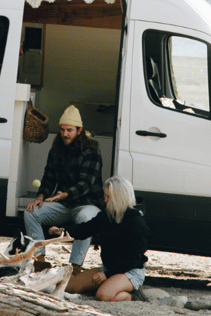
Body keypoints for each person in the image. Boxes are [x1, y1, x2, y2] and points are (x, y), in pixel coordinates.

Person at [24, 105, 104, 273]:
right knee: (31, 212)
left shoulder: (92, 150)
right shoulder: (57, 148)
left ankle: (75, 267)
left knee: (85, 218)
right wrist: (40, 196)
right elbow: (49, 176)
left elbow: (86, 183)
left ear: (79, 130)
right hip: (64, 204)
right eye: (62, 130)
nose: (65, 134)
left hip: (87, 203)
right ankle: (40, 262)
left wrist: (65, 194)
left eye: (69, 130)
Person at [49, 175, 149, 302]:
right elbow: (84, 229)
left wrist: (107, 275)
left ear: (119, 198)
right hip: (109, 268)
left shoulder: (137, 223)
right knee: (70, 286)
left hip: (130, 271)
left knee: (103, 295)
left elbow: (132, 259)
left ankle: (132, 296)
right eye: (105, 196)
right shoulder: (106, 216)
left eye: (108, 197)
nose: (105, 200)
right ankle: (109, 285)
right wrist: (62, 231)